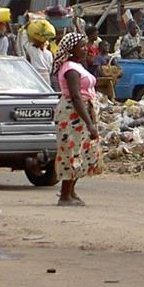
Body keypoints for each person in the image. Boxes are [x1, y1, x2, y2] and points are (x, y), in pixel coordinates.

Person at [53, 31, 102, 207]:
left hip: (81, 114)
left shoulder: (78, 65)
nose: (85, 49)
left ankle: (71, 191)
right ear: (71, 49)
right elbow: (75, 97)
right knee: (71, 153)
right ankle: (64, 196)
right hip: (73, 115)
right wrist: (89, 123)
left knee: (82, 152)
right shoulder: (70, 69)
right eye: (81, 46)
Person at [20, 19, 56, 84]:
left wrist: (25, 28)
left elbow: (24, 40)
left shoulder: (32, 50)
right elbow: (50, 69)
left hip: (35, 75)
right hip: (46, 76)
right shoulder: (49, 54)